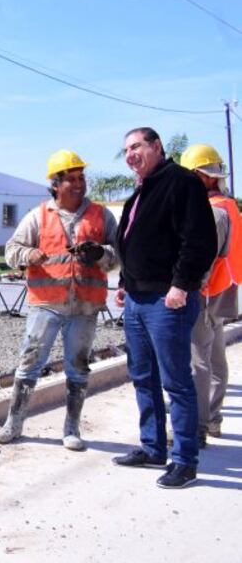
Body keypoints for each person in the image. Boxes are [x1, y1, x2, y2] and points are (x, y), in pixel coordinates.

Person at [113, 127, 217, 489]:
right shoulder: (144, 188)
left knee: (176, 382)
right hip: (137, 298)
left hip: (167, 300)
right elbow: (135, 241)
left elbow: (200, 241)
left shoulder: (181, 182)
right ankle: (153, 447)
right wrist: (125, 282)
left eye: (137, 146)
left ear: (157, 146)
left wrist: (181, 284)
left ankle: (184, 461)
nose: (130, 155)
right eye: (126, 150)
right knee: (143, 376)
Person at [0, 150, 118, 450]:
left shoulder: (102, 215)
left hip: (85, 306)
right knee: (29, 364)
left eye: (81, 178)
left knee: (78, 366)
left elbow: (118, 256)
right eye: (71, 179)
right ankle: (14, 423)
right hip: (45, 305)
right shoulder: (38, 216)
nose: (78, 184)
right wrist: (28, 254)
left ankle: (72, 428)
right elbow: (11, 250)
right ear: (55, 184)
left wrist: (100, 254)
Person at [179, 144, 239, 445]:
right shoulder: (228, 205)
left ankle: (198, 426)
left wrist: (188, 287)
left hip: (205, 290)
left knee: (197, 360)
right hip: (223, 288)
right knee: (215, 354)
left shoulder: (213, 211)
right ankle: (213, 418)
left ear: (203, 176)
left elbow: (205, 257)